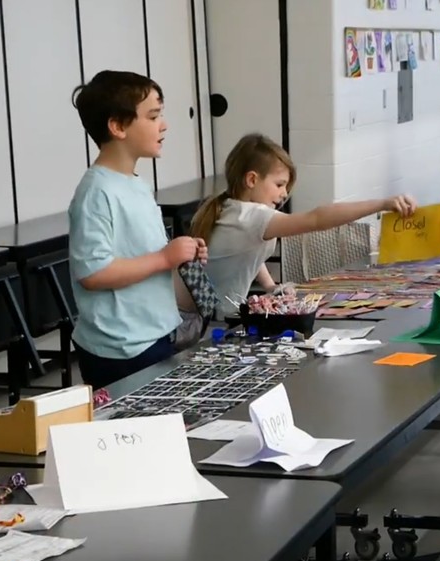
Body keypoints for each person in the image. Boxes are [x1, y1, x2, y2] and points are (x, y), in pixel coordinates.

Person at [68, 71, 208, 390]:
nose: (165, 124)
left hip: (151, 333)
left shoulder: (134, 184)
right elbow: (93, 272)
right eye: (154, 116)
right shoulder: (97, 192)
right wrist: (163, 258)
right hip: (121, 347)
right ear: (117, 126)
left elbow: (139, 252)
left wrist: (181, 254)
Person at [190, 133, 417, 318]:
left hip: (210, 315)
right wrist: (382, 204)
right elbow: (317, 219)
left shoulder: (229, 208)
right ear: (251, 180)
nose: (284, 194)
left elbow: (247, 252)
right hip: (211, 322)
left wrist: (270, 286)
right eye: (279, 184)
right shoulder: (252, 217)